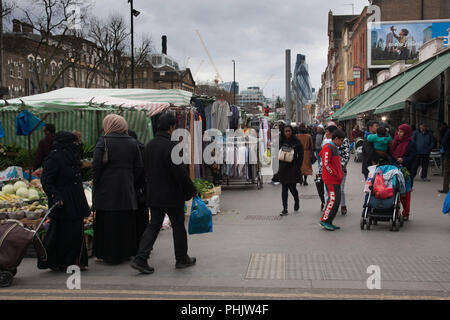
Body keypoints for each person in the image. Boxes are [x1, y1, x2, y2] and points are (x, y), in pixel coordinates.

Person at [131, 113, 198, 274]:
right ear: (171, 127)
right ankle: (181, 259)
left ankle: (141, 258)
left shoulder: (149, 145)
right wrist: (192, 191)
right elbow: (180, 173)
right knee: (178, 226)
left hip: (153, 193)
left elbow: (143, 170)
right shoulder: (172, 146)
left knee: (153, 225)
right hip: (172, 195)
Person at [93, 114, 143, 265]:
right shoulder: (133, 143)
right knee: (125, 221)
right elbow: (139, 167)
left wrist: (97, 183)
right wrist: (131, 181)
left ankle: (108, 254)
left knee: (108, 223)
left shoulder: (103, 141)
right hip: (126, 188)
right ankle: (126, 252)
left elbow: (96, 166)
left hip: (107, 190)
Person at [39, 131, 91, 271]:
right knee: (63, 232)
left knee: (76, 230)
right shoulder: (54, 158)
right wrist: (55, 195)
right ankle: (58, 261)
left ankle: (75, 261)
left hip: (76, 198)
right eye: (74, 143)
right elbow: (46, 180)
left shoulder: (72, 157)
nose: (77, 145)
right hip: (63, 200)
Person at [390, 124, 417, 221]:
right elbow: (391, 153)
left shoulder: (411, 143)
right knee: (393, 191)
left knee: (405, 193)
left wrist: (404, 160)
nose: (399, 133)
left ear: (406, 133)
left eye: (401, 131)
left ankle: (406, 213)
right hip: (394, 169)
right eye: (398, 131)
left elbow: (413, 157)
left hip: (406, 171)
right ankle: (395, 211)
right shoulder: (395, 141)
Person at [319, 129, 345, 231]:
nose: (342, 143)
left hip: (336, 179)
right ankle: (325, 220)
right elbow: (326, 164)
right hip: (331, 179)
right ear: (336, 139)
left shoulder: (334, 147)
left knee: (336, 200)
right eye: (341, 140)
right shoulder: (328, 147)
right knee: (333, 200)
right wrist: (335, 174)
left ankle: (329, 221)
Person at [128, 129, 149, 248]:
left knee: (134, 218)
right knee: (143, 217)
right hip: (143, 188)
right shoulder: (143, 148)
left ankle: (136, 245)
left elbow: (136, 169)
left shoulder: (131, 149)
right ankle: (145, 244)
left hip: (134, 188)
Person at [278, 125, 304, 216]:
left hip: (293, 168)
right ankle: (285, 208)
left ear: (292, 131)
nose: (288, 133)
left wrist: (298, 166)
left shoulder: (296, 142)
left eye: (289, 131)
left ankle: (296, 200)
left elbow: (301, 155)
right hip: (283, 168)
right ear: (283, 132)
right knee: (284, 189)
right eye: (286, 131)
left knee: (293, 189)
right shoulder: (280, 141)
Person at [338, 133, 350, 215]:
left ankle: (343, 205)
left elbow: (347, 154)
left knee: (340, 189)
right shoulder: (326, 140)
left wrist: (342, 165)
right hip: (329, 171)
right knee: (328, 191)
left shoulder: (344, 140)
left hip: (341, 169)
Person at [439, 125, 450, 194]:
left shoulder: (448, 131)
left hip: (449, 154)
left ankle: (445, 188)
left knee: (447, 171)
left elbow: (443, 142)